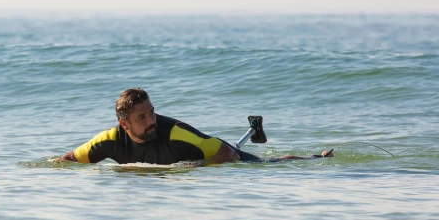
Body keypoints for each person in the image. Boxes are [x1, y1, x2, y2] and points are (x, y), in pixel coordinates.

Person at [59, 88, 333, 165]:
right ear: (124, 123)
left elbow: (229, 154)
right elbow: (68, 159)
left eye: (151, 113)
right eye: (141, 117)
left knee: (269, 163)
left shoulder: (175, 133)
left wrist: (196, 166)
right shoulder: (109, 140)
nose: (151, 121)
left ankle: (316, 157)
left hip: (218, 154)